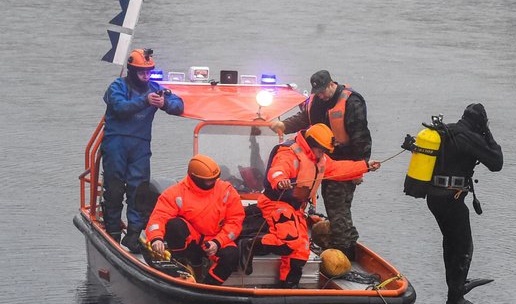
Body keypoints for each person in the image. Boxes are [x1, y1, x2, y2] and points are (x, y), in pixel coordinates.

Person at [425, 103, 515, 304]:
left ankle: (456, 284)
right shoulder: (469, 137)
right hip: (451, 200)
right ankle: (456, 298)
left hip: (434, 199)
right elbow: (497, 162)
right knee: (465, 247)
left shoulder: (449, 130)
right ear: (480, 123)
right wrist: (488, 132)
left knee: (451, 242)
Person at [258, 124, 380, 287]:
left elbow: (339, 169)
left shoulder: (320, 159)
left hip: (296, 209)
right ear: (311, 144)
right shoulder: (288, 153)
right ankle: (251, 247)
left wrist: (365, 166)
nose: (323, 153)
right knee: (291, 241)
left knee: (302, 248)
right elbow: (278, 170)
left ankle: (288, 284)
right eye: (321, 149)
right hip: (276, 204)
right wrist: (280, 181)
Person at [268, 70, 371, 260]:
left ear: (332, 84)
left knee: (338, 206)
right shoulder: (315, 100)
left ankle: (343, 252)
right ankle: (343, 244)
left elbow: (361, 136)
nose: (321, 95)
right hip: (317, 159)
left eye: (323, 91)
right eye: (318, 92)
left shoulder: (351, 102)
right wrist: (284, 126)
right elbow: (304, 119)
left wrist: (360, 168)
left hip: (342, 161)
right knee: (327, 204)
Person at [102, 47, 184, 253]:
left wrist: (164, 103)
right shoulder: (117, 87)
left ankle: (133, 235)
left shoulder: (155, 88)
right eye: (141, 72)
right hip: (116, 144)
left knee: (139, 191)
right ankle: (111, 231)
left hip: (140, 146)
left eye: (148, 72)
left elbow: (178, 104)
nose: (145, 76)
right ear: (132, 70)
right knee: (114, 189)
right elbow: (120, 108)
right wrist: (144, 101)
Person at [145, 154, 245, 285]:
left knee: (232, 255)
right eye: (208, 180)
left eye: (214, 179)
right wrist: (156, 238)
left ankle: (209, 287)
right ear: (194, 177)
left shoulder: (227, 191)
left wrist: (218, 242)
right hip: (192, 238)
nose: (212, 183)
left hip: (216, 238)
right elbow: (159, 216)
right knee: (174, 226)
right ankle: (182, 265)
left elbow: (235, 221)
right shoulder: (176, 193)